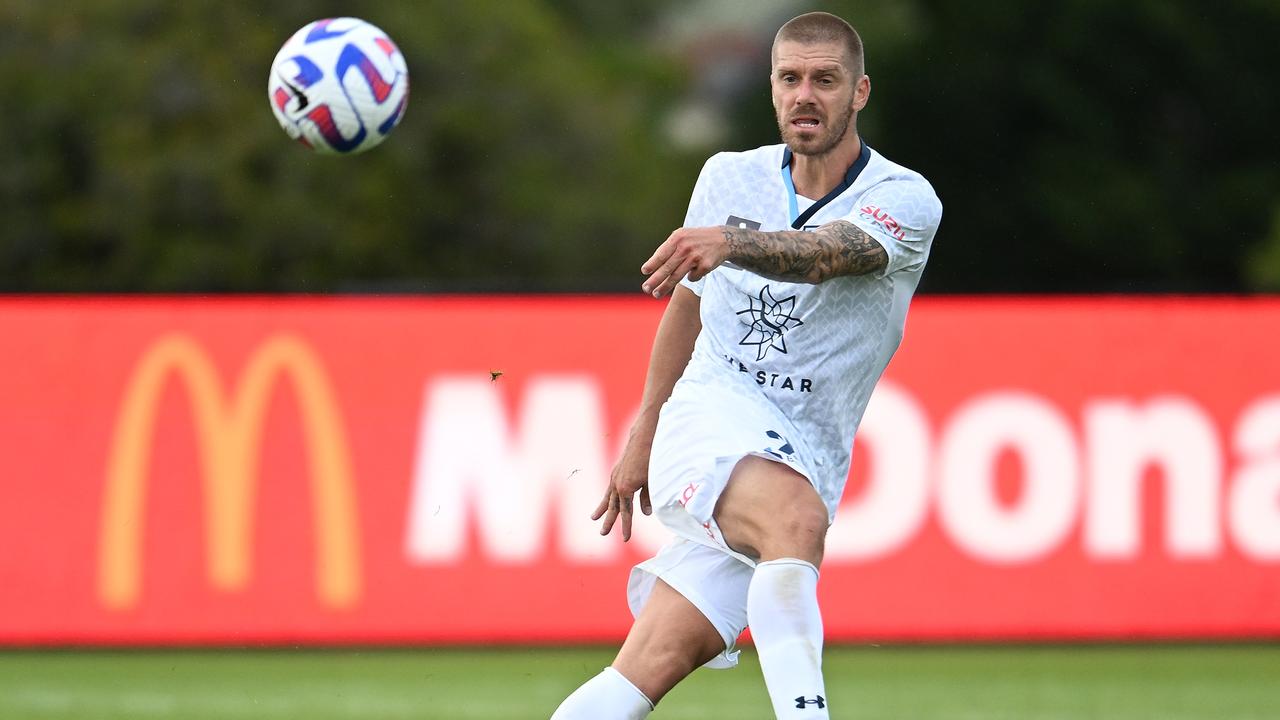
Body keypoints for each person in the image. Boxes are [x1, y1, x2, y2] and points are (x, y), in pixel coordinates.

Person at [550, 11, 942, 719]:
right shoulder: (728, 175)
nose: (805, 95)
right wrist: (644, 432)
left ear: (859, 92)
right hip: (711, 416)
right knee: (793, 520)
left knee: (651, 663)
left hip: (807, 451)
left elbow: (827, 257)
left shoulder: (904, 199)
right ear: (770, 87)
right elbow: (687, 307)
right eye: (790, 78)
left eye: (825, 80)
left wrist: (732, 244)